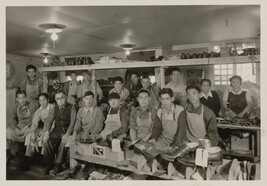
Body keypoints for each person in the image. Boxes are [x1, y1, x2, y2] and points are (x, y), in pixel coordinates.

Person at [42, 90, 76, 175]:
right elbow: (49, 121)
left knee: (63, 141)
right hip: (57, 131)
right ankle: (50, 163)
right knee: (46, 140)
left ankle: (58, 165)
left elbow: (73, 123)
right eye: (57, 99)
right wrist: (46, 131)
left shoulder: (72, 107)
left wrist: (68, 133)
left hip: (67, 131)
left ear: (66, 98)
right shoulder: (54, 108)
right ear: (55, 100)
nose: (60, 100)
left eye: (62, 98)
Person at [7, 90, 39, 159]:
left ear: (26, 97)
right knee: (5, 132)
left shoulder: (31, 105)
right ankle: (7, 154)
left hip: (28, 128)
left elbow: (34, 119)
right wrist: (15, 129)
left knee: (31, 133)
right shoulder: (15, 106)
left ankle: (28, 157)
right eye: (20, 98)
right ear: (17, 99)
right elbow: (11, 119)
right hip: (18, 129)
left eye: (23, 97)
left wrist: (26, 127)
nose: (22, 100)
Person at [24, 93, 55, 159]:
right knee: (30, 134)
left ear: (48, 99)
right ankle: (29, 156)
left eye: (44, 100)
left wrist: (45, 130)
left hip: (53, 127)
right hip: (43, 127)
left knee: (44, 136)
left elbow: (54, 122)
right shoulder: (38, 110)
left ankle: (45, 157)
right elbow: (34, 123)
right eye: (40, 101)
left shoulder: (53, 108)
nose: (42, 102)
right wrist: (32, 132)